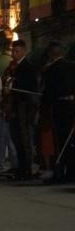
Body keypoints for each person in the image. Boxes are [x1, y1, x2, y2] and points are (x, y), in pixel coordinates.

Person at [40, 41, 75, 182]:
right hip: (71, 104)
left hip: (59, 106)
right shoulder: (72, 66)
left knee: (60, 140)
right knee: (71, 140)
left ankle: (62, 170)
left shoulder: (50, 70)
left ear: (50, 55)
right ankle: (71, 170)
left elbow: (48, 92)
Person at [5, 39, 38, 180]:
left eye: (17, 51)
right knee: (16, 138)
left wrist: (13, 84)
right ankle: (21, 167)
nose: (14, 53)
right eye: (13, 51)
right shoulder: (12, 67)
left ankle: (27, 169)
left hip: (24, 106)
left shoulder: (27, 67)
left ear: (24, 51)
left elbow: (30, 87)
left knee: (24, 138)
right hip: (14, 106)